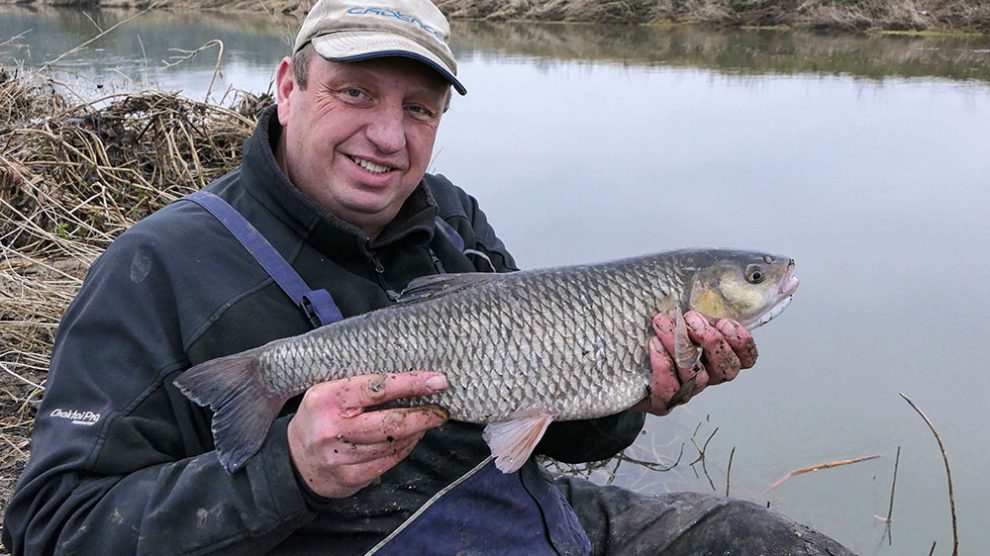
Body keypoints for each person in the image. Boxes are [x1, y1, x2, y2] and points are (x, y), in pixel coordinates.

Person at [2, 1, 854, 554]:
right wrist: (286, 470)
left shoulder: (451, 221)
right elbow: (51, 530)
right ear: (288, 88)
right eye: (356, 93)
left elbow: (544, 427)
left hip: (517, 521)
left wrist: (637, 394)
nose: (388, 136)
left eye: (418, 108)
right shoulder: (155, 268)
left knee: (760, 541)